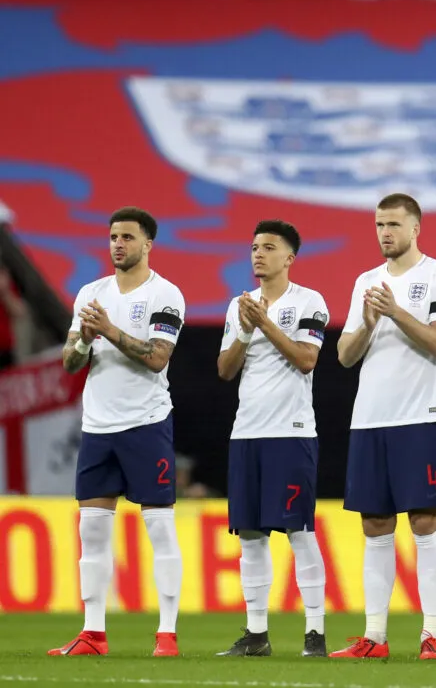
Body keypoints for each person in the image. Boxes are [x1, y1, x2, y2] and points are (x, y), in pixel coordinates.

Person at [50, 207, 186, 657]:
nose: (118, 244)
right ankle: (93, 633)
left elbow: (157, 357)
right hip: (97, 425)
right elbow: (71, 362)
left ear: (148, 244)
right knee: (92, 531)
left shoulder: (166, 294)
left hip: (145, 423)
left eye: (127, 237)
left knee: (160, 528)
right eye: (113, 237)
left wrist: (107, 328)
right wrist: (85, 338)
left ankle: (166, 633)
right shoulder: (91, 292)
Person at [334, 193, 436, 660]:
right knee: (375, 524)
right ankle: (375, 637)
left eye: (393, 224)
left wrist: (396, 313)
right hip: (369, 419)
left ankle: (432, 636)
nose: (385, 233)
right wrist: (368, 322)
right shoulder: (366, 281)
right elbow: (346, 356)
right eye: (379, 225)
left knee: (425, 522)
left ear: (415, 228)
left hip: (418, 418)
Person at [215, 219, 330, 658]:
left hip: (291, 432)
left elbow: (306, 359)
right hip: (247, 431)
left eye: (268, 247)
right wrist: (245, 329)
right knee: (249, 534)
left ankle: (315, 632)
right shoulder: (237, 306)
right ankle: (256, 633)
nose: (258, 254)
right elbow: (225, 370)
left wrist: (264, 324)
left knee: (298, 530)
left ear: (289, 258)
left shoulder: (309, 302)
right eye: (254, 247)